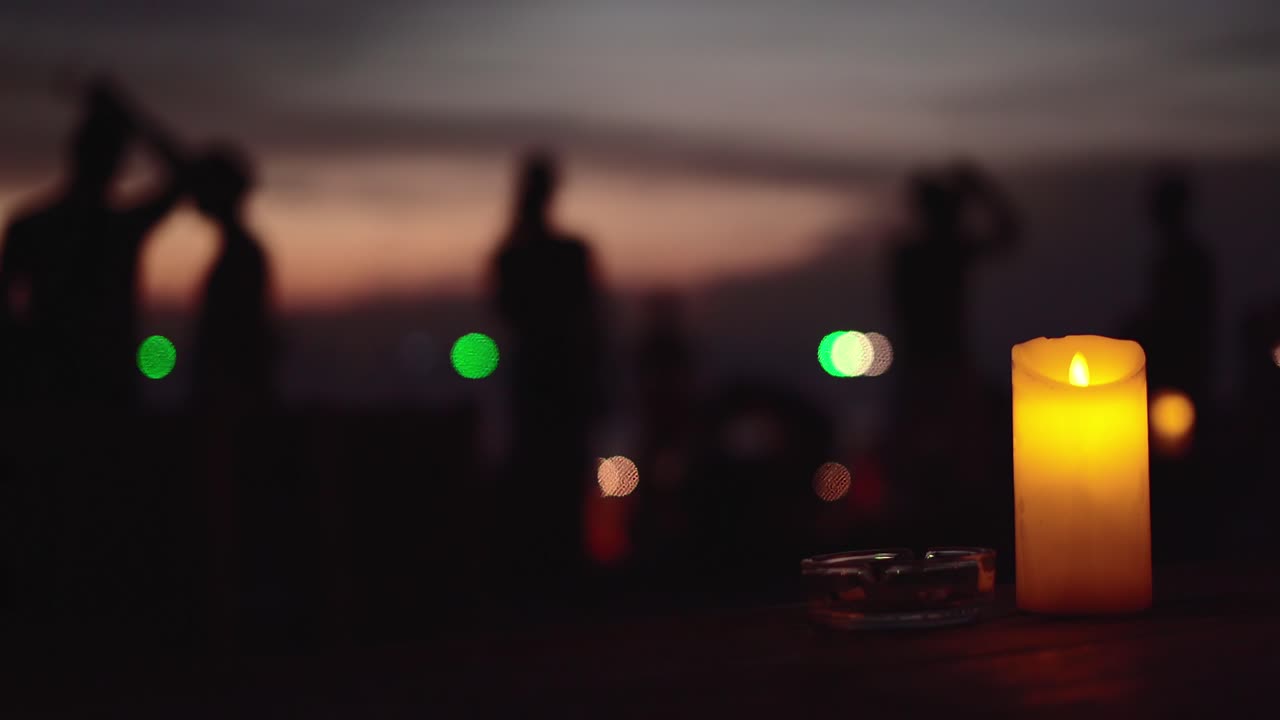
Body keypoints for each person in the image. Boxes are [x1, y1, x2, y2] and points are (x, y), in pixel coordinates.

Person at [0, 79, 185, 410]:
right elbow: (184, 174)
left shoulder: (31, 225)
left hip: (61, 389)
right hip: (77, 388)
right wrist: (132, 116)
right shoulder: (121, 228)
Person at [492, 151, 603, 585]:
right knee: (555, 482)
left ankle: (548, 572)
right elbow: (589, 322)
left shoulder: (516, 255)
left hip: (548, 382)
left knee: (547, 480)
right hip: (556, 382)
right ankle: (557, 572)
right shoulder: (563, 254)